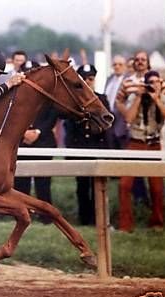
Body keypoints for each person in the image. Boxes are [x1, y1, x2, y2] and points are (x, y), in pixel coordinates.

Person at [117, 70, 165, 232]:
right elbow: (129, 118)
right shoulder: (135, 97)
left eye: (155, 82)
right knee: (124, 185)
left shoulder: (163, 98)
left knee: (157, 187)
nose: (152, 85)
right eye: (149, 83)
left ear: (160, 83)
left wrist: (156, 98)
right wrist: (139, 96)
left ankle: (157, 223)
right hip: (135, 143)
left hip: (153, 145)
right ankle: (125, 225)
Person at [14, 61, 60, 224]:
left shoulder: (48, 94)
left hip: (43, 141)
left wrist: (38, 131)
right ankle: (21, 215)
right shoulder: (15, 93)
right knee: (20, 182)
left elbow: (53, 115)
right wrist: (23, 132)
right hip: (20, 141)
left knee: (43, 182)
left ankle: (46, 217)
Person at [64, 64, 110, 226]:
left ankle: (99, 219)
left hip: (97, 147)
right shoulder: (74, 102)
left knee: (99, 187)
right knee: (82, 187)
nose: (88, 82)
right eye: (84, 79)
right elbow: (69, 128)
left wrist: (106, 151)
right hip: (80, 148)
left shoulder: (102, 99)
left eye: (91, 79)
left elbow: (107, 126)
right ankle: (84, 219)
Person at [104, 55, 128, 149]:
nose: (117, 67)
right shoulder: (109, 79)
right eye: (115, 64)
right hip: (109, 123)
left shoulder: (128, 80)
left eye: (120, 64)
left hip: (122, 124)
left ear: (125, 66)